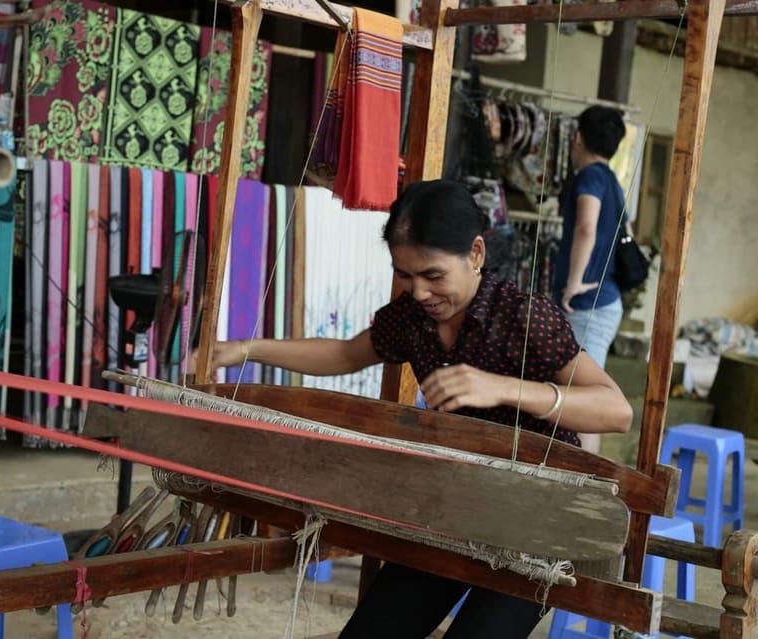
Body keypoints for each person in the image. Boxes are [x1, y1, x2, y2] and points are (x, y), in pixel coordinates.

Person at [204, 179, 633, 639]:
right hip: (458, 509)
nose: (421, 292)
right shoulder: (412, 318)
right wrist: (247, 349)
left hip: (537, 520)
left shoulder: (522, 316)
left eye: (433, 275)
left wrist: (504, 388)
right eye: (405, 276)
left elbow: (615, 410)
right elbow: (346, 355)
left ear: (475, 255)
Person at [553, 105, 629, 454]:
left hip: (589, 302)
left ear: (578, 137)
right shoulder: (612, 180)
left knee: (584, 399)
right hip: (603, 300)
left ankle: (584, 479)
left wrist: (573, 282)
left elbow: (587, 228)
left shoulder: (590, 178)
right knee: (583, 393)